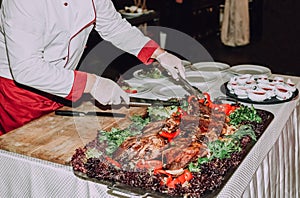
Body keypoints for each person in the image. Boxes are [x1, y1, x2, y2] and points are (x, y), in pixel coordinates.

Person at [0, 0, 186, 135]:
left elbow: (114, 27)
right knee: (28, 154)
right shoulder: (23, 2)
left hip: (65, 82)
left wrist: (158, 53)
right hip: (20, 94)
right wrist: (92, 84)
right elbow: (26, 68)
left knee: (61, 137)